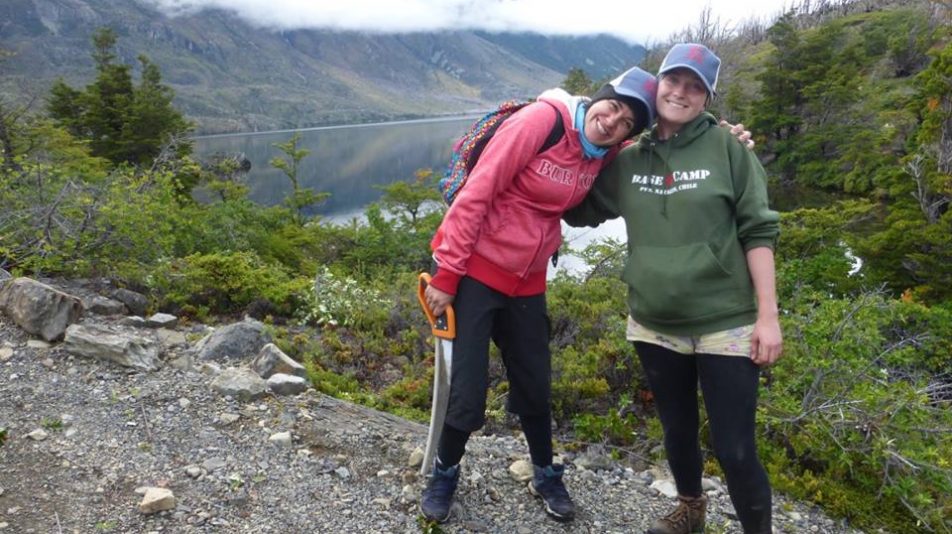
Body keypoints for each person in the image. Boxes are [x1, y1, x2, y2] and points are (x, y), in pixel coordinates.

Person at [420, 66, 660, 523]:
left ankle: (545, 472)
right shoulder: (541, 122)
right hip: (474, 270)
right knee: (467, 389)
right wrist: (448, 275)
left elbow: (654, 151)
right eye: (613, 107)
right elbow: (478, 192)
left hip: (527, 279)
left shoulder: (601, 154)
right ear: (597, 98)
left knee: (535, 381)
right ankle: (445, 473)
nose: (613, 122)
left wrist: (718, 135)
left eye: (627, 121)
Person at [564, 43, 782, 534]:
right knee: (677, 430)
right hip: (653, 323)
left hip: (724, 322)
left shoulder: (729, 148)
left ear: (706, 98)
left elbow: (758, 230)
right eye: (674, 80)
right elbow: (577, 207)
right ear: (658, 83)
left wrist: (767, 316)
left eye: (695, 86)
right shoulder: (627, 161)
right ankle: (690, 511)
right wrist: (551, 155)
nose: (680, 92)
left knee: (735, 447)